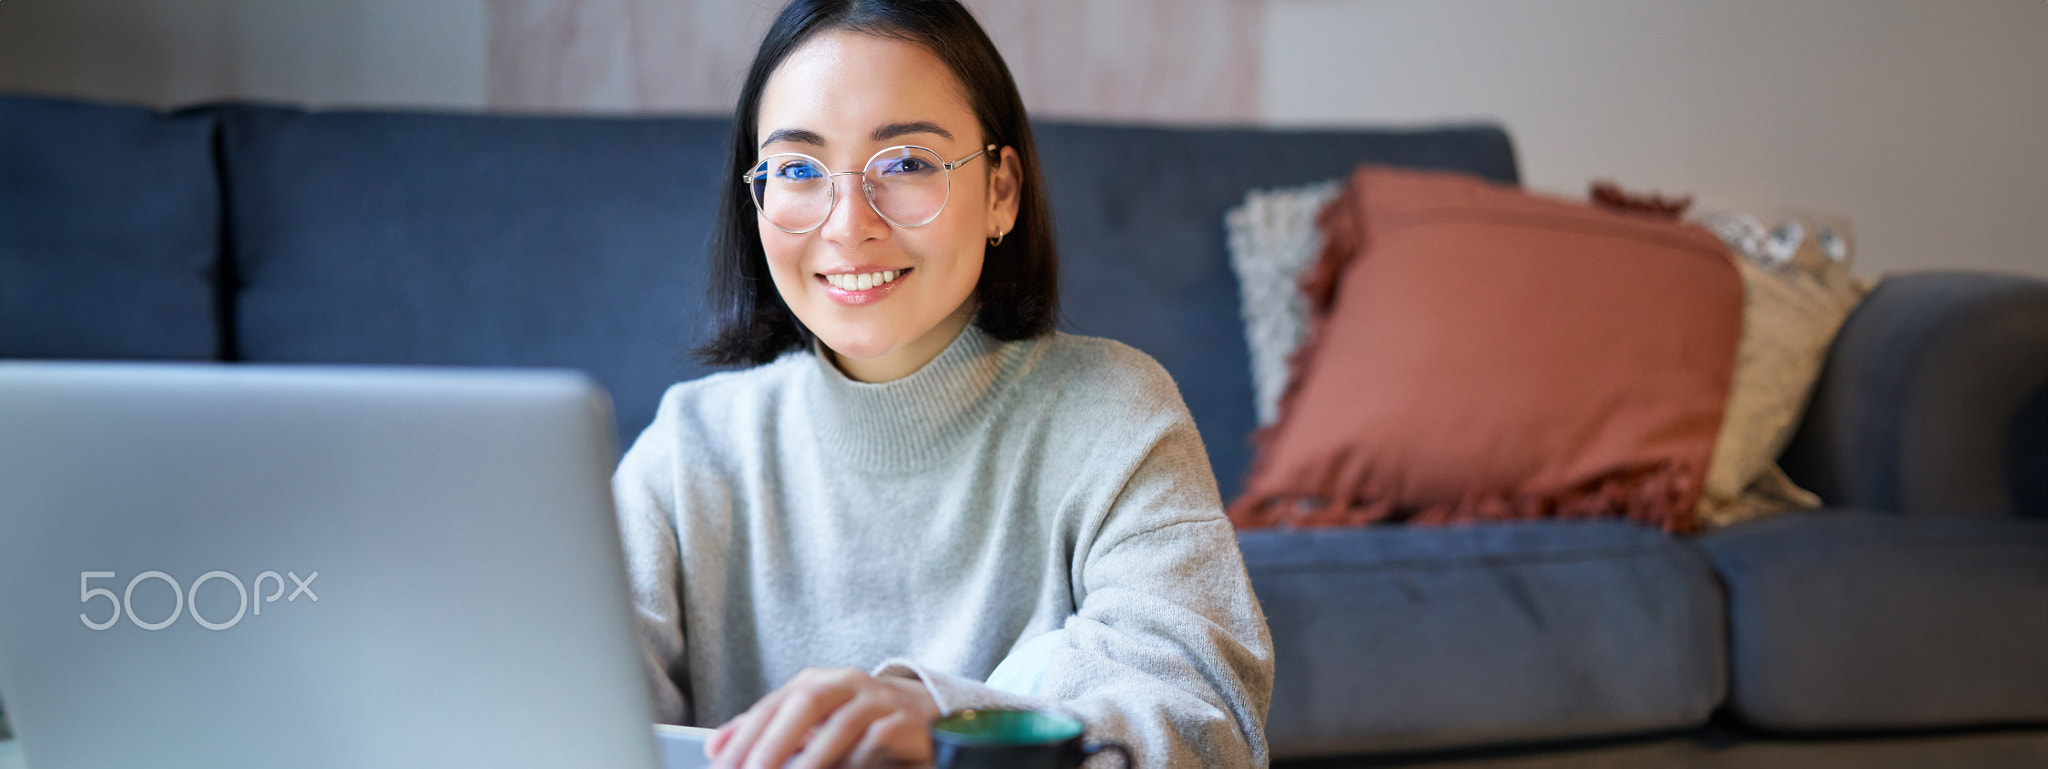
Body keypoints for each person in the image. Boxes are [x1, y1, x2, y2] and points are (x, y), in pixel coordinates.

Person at [611, 1, 1274, 766]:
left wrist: (945, 715)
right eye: (797, 169)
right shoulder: (690, 445)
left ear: (1001, 191)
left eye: (906, 164)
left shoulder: (1117, 412)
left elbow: (1202, 716)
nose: (847, 222)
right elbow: (564, 702)